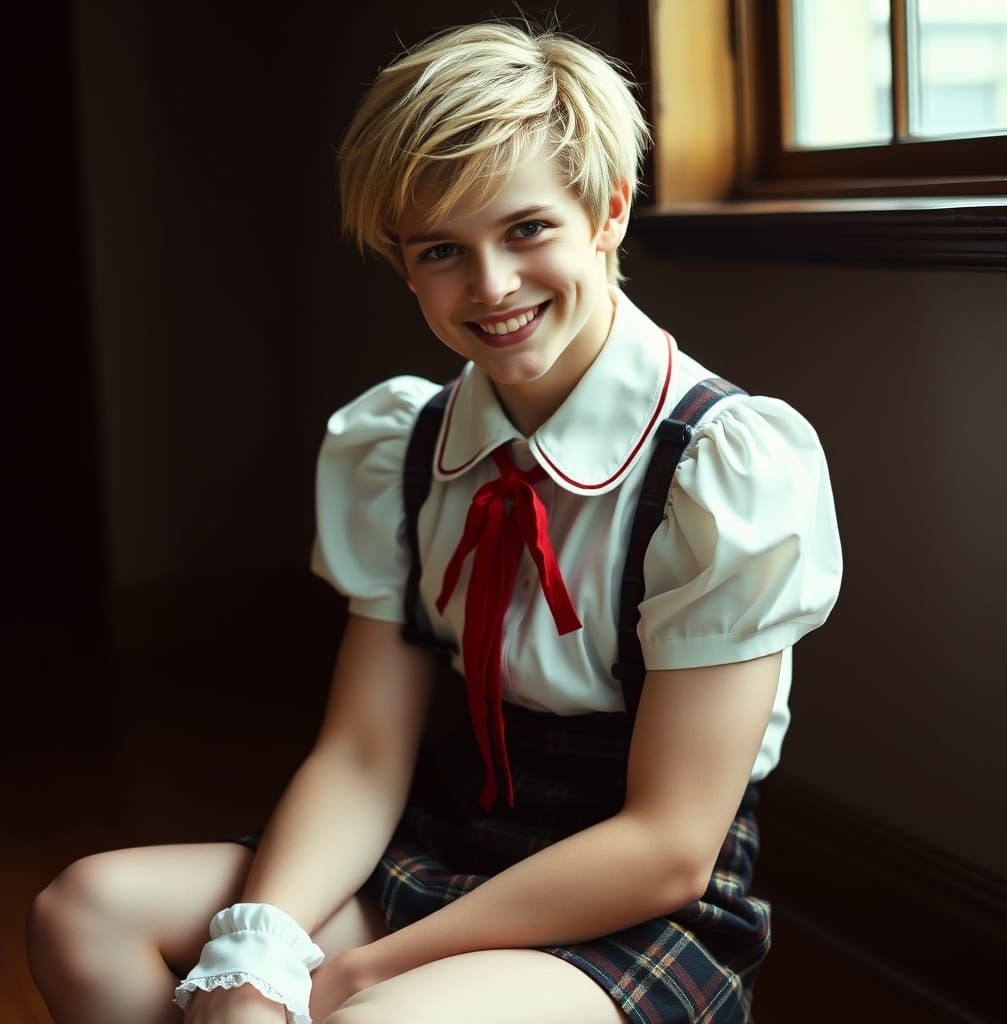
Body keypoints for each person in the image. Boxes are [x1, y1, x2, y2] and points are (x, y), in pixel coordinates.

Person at [27, 19, 842, 1024]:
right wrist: (256, 957)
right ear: (403, 264)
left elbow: (669, 846)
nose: (492, 285)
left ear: (608, 211)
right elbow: (363, 752)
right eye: (443, 249)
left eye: (528, 228)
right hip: (444, 842)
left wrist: (367, 972)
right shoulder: (405, 445)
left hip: (630, 905)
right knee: (85, 911)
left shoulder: (719, 464)